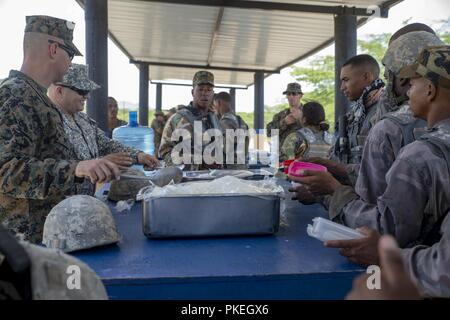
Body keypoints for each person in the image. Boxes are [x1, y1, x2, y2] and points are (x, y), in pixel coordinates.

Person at [289, 46, 450, 250]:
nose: (408, 90)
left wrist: (331, 191)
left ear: (430, 90)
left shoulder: (418, 155)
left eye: (413, 83)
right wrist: (338, 169)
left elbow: (384, 231)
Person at [0, 15, 120, 243]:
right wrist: (76, 168)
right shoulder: (15, 96)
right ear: (54, 49)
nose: (71, 62)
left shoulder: (34, 97)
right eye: (71, 54)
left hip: (47, 235)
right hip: (25, 242)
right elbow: (6, 171)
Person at [294, 30, 444, 206]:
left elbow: (381, 214)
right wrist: (334, 168)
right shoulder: (364, 114)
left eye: (346, 80)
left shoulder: (389, 125)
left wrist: (327, 194)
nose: (342, 87)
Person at [47, 63, 159, 195]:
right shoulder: (46, 120)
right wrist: (98, 162)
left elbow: (106, 144)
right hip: (57, 208)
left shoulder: (84, 121)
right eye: (82, 91)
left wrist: (139, 156)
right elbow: (47, 167)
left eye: (88, 92)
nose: (87, 97)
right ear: (60, 91)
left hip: (85, 201)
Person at [159, 71, 222, 170]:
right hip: (187, 182)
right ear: (192, 92)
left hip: (214, 181)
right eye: (200, 89)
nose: (204, 93)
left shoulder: (215, 119)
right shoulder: (178, 119)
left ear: (213, 94)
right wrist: (199, 163)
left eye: (208, 90)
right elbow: (165, 153)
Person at [331, 54, 385, 170]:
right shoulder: (355, 114)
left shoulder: (386, 111)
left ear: (366, 77)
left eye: (346, 80)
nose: (342, 87)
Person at [213, 91, 249, 168]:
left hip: (231, 168)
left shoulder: (224, 122)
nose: (214, 108)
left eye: (214, 105)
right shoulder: (240, 120)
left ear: (219, 103)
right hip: (243, 165)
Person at [266, 82, 304, 147]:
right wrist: (284, 122)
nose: (291, 96)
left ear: (300, 96)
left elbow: (316, 133)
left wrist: (300, 120)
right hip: (283, 156)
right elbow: (269, 133)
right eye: (288, 94)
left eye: (294, 94)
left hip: (303, 155)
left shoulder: (308, 112)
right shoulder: (280, 115)